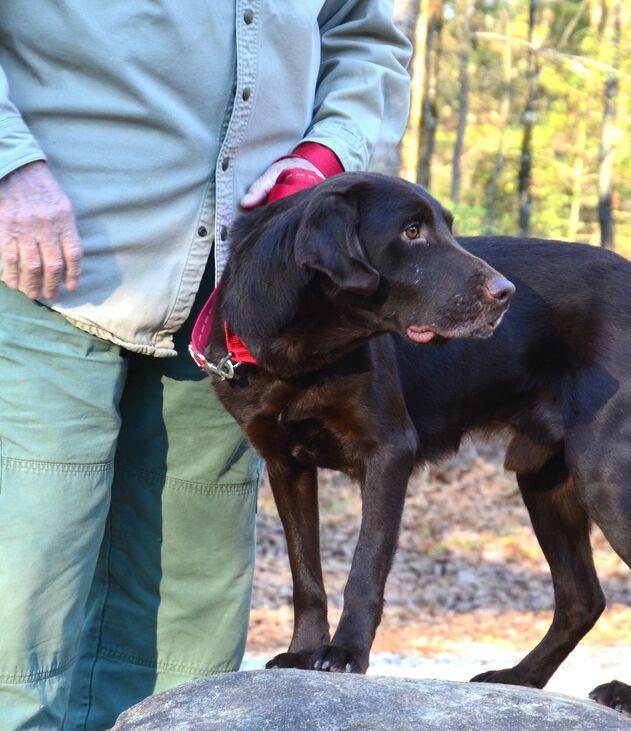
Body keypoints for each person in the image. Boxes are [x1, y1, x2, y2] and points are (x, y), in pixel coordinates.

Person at [0, 3, 411, 728]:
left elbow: (365, 40)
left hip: (240, 296)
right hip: (43, 263)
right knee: (29, 583)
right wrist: (9, 163)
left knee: (190, 613)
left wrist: (327, 156)